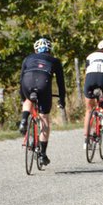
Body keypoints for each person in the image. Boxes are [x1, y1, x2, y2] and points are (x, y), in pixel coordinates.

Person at [18, 37, 66, 166]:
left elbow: (21, 79)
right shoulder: (55, 61)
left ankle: (23, 120)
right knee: (44, 117)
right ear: (49, 50)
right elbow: (60, 83)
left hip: (27, 82)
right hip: (43, 84)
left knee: (28, 99)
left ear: (35, 50)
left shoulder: (27, 58)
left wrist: (22, 96)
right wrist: (62, 99)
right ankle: (42, 155)